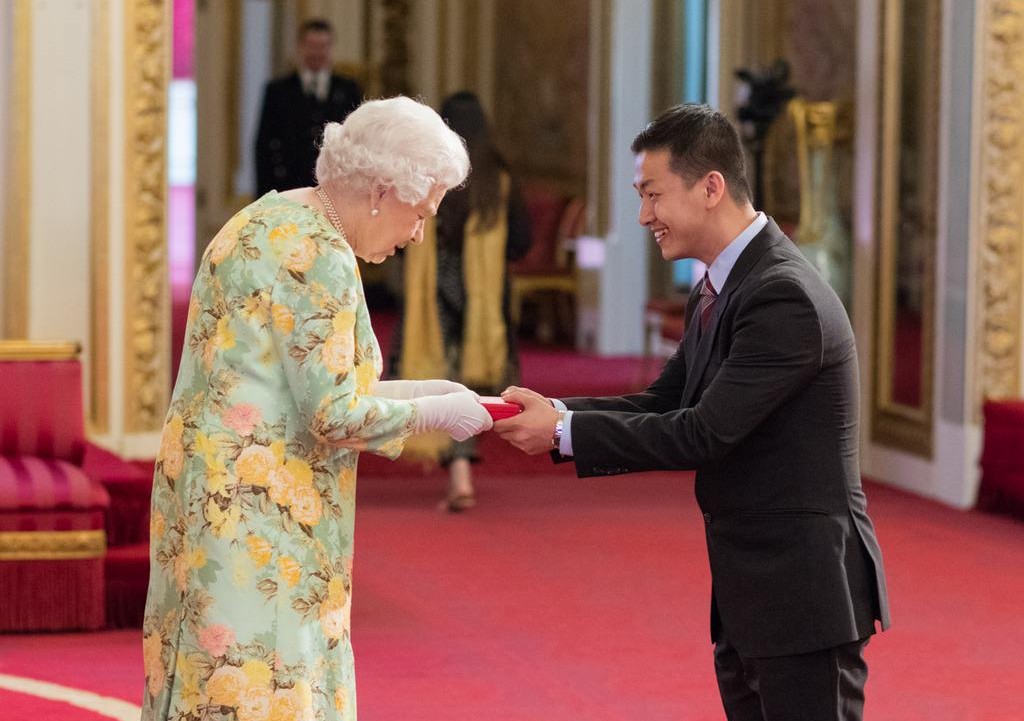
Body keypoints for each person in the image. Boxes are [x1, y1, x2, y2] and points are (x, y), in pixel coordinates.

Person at [495, 103, 889, 721]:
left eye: (652, 194)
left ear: (711, 187)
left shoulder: (781, 294)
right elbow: (663, 401)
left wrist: (566, 431)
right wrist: (556, 412)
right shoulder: (720, 284)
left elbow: (704, 432)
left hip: (805, 594)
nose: (643, 215)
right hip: (751, 592)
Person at [141, 96, 493, 721]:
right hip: (262, 511)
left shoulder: (266, 217)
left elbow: (296, 385)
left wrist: (427, 392)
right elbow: (332, 414)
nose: (418, 233)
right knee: (261, 689)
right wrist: (436, 416)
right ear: (385, 189)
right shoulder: (322, 254)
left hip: (208, 494)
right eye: (421, 212)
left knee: (204, 680)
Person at [389, 90, 532, 512]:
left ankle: (459, 472)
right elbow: (522, 241)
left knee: (445, 382)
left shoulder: (433, 176)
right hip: (482, 299)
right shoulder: (499, 181)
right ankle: (461, 470)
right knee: (467, 386)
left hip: (435, 293)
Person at [254, 18, 363, 197]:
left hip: (334, 189)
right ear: (300, 47)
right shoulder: (277, 90)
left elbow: (356, 141)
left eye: (322, 46)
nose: (317, 53)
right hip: (287, 188)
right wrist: (263, 199)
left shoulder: (348, 89)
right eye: (312, 46)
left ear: (331, 48)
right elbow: (263, 146)